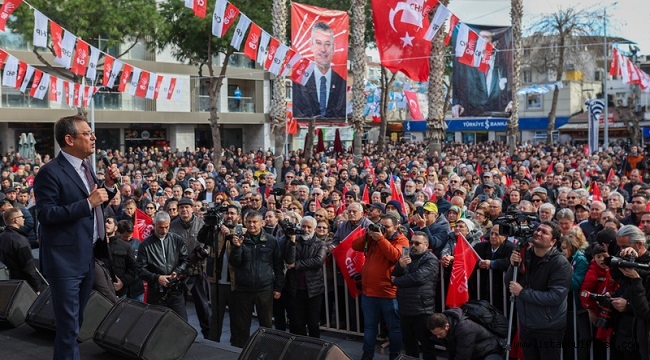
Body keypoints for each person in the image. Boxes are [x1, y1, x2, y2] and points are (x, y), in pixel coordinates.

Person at [33, 115, 120, 360]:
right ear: (69, 139)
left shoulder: (86, 167)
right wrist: (87, 202)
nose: (94, 138)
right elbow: (46, 214)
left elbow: (95, 205)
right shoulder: (49, 173)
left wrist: (109, 187)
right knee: (68, 328)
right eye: (87, 133)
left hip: (87, 256)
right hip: (64, 261)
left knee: (76, 324)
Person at [505, 221, 573, 360]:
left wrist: (523, 293)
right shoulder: (526, 254)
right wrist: (513, 266)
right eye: (538, 230)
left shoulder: (560, 263)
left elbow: (555, 297)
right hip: (526, 323)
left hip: (549, 326)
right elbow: (509, 283)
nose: (538, 233)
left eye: (544, 232)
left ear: (553, 242)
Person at [352, 212, 409, 360]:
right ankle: (367, 354)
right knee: (369, 326)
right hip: (369, 292)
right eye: (381, 226)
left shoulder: (401, 239)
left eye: (387, 227)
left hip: (388, 293)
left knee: (394, 328)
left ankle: (394, 356)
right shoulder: (374, 238)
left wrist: (381, 239)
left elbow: (396, 257)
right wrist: (368, 235)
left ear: (396, 226)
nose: (383, 229)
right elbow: (355, 245)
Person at [228, 210, 285, 348]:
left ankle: (267, 351)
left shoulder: (271, 241)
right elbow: (235, 263)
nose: (252, 225)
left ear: (262, 223)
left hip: (264, 289)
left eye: (255, 222)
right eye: (249, 222)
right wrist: (237, 248)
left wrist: (278, 287)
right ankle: (242, 351)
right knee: (242, 324)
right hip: (243, 289)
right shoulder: (239, 238)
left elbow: (278, 265)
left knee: (266, 324)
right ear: (245, 223)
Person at [391, 231, 439, 360]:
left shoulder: (431, 260)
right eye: (411, 242)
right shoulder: (406, 256)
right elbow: (394, 273)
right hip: (405, 308)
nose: (413, 245)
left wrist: (396, 281)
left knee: (427, 345)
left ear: (426, 244)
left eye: (417, 243)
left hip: (422, 309)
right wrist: (400, 266)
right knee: (409, 344)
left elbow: (416, 278)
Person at [169, 197, 210, 338]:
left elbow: (208, 244)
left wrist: (204, 252)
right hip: (179, 271)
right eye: (181, 208)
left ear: (193, 208)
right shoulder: (172, 226)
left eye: (187, 207)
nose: (184, 210)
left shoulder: (201, 224)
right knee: (179, 306)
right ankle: (179, 335)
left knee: (203, 306)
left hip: (198, 270)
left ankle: (208, 334)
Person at [198, 204, 239, 342]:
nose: (229, 215)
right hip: (216, 281)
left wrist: (231, 234)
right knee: (215, 317)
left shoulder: (242, 230)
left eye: (232, 213)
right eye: (227, 213)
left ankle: (235, 346)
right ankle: (213, 343)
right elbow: (202, 238)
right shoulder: (216, 231)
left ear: (238, 216)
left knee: (236, 318)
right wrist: (208, 224)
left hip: (234, 283)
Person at [137, 211, 189, 320]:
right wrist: (156, 278)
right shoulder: (145, 245)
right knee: (157, 324)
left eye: (167, 227)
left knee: (182, 322)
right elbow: (140, 269)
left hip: (175, 289)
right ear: (154, 225)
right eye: (161, 227)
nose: (164, 230)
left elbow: (185, 260)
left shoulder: (176, 239)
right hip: (156, 291)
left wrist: (178, 271)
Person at [451, 29, 512, 118]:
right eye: (478, 38)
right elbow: (458, 85)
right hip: (471, 119)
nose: (480, 41)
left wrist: (511, 102)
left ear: (493, 44)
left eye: (485, 38)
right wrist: (456, 104)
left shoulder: (502, 65)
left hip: (497, 120)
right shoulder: (467, 64)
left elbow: (509, 88)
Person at [292, 21, 346, 119]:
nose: (323, 49)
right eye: (318, 43)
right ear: (311, 45)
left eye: (327, 44)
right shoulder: (299, 82)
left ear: (334, 48)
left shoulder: (341, 82)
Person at [284, 216, 327, 338]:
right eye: (303, 226)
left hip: (313, 290)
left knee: (313, 322)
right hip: (295, 289)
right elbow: (289, 259)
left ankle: (315, 349)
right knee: (297, 322)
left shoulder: (320, 243)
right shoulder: (294, 240)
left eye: (309, 227)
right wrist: (292, 241)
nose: (306, 229)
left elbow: (318, 261)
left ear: (314, 228)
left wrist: (297, 265)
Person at [0, 207, 47, 293]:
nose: (24, 219)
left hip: (8, 284)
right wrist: (36, 288)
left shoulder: (2, 237)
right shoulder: (20, 240)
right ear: (15, 220)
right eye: (22, 216)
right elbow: (28, 267)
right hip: (23, 285)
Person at [427, 311, 504, 360]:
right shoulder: (447, 327)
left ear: (447, 326)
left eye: (439, 333)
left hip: (489, 351)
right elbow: (453, 353)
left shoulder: (464, 329)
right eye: (435, 334)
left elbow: (463, 356)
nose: (438, 337)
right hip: (476, 353)